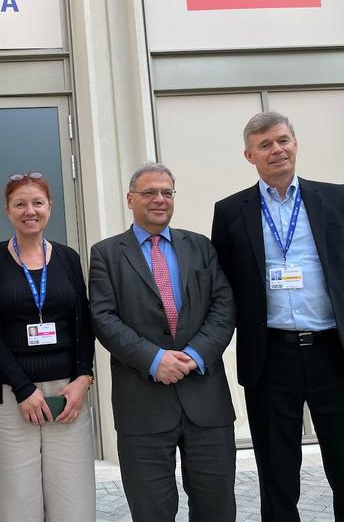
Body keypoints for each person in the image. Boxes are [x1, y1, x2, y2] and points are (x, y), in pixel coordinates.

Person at [211, 111, 344, 522]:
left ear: (295, 143)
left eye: (283, 140)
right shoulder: (231, 211)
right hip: (271, 358)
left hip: (334, 352)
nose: (276, 150)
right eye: (265, 145)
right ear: (250, 156)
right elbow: (228, 283)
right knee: (277, 476)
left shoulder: (336, 198)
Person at [89, 162, 236, 522]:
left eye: (166, 193)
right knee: (152, 512)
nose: (159, 200)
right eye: (149, 192)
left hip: (206, 400)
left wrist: (194, 354)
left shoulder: (200, 246)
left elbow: (224, 304)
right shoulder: (106, 253)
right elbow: (104, 318)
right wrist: (155, 360)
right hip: (142, 404)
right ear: (130, 199)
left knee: (217, 508)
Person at [0, 172, 95, 522]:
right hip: (14, 395)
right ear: (8, 210)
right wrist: (24, 389)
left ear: (50, 208)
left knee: (73, 501)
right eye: (20, 204)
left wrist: (83, 378)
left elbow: (84, 324)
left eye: (37, 202)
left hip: (67, 395)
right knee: (17, 503)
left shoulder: (69, 259)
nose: (30, 211)